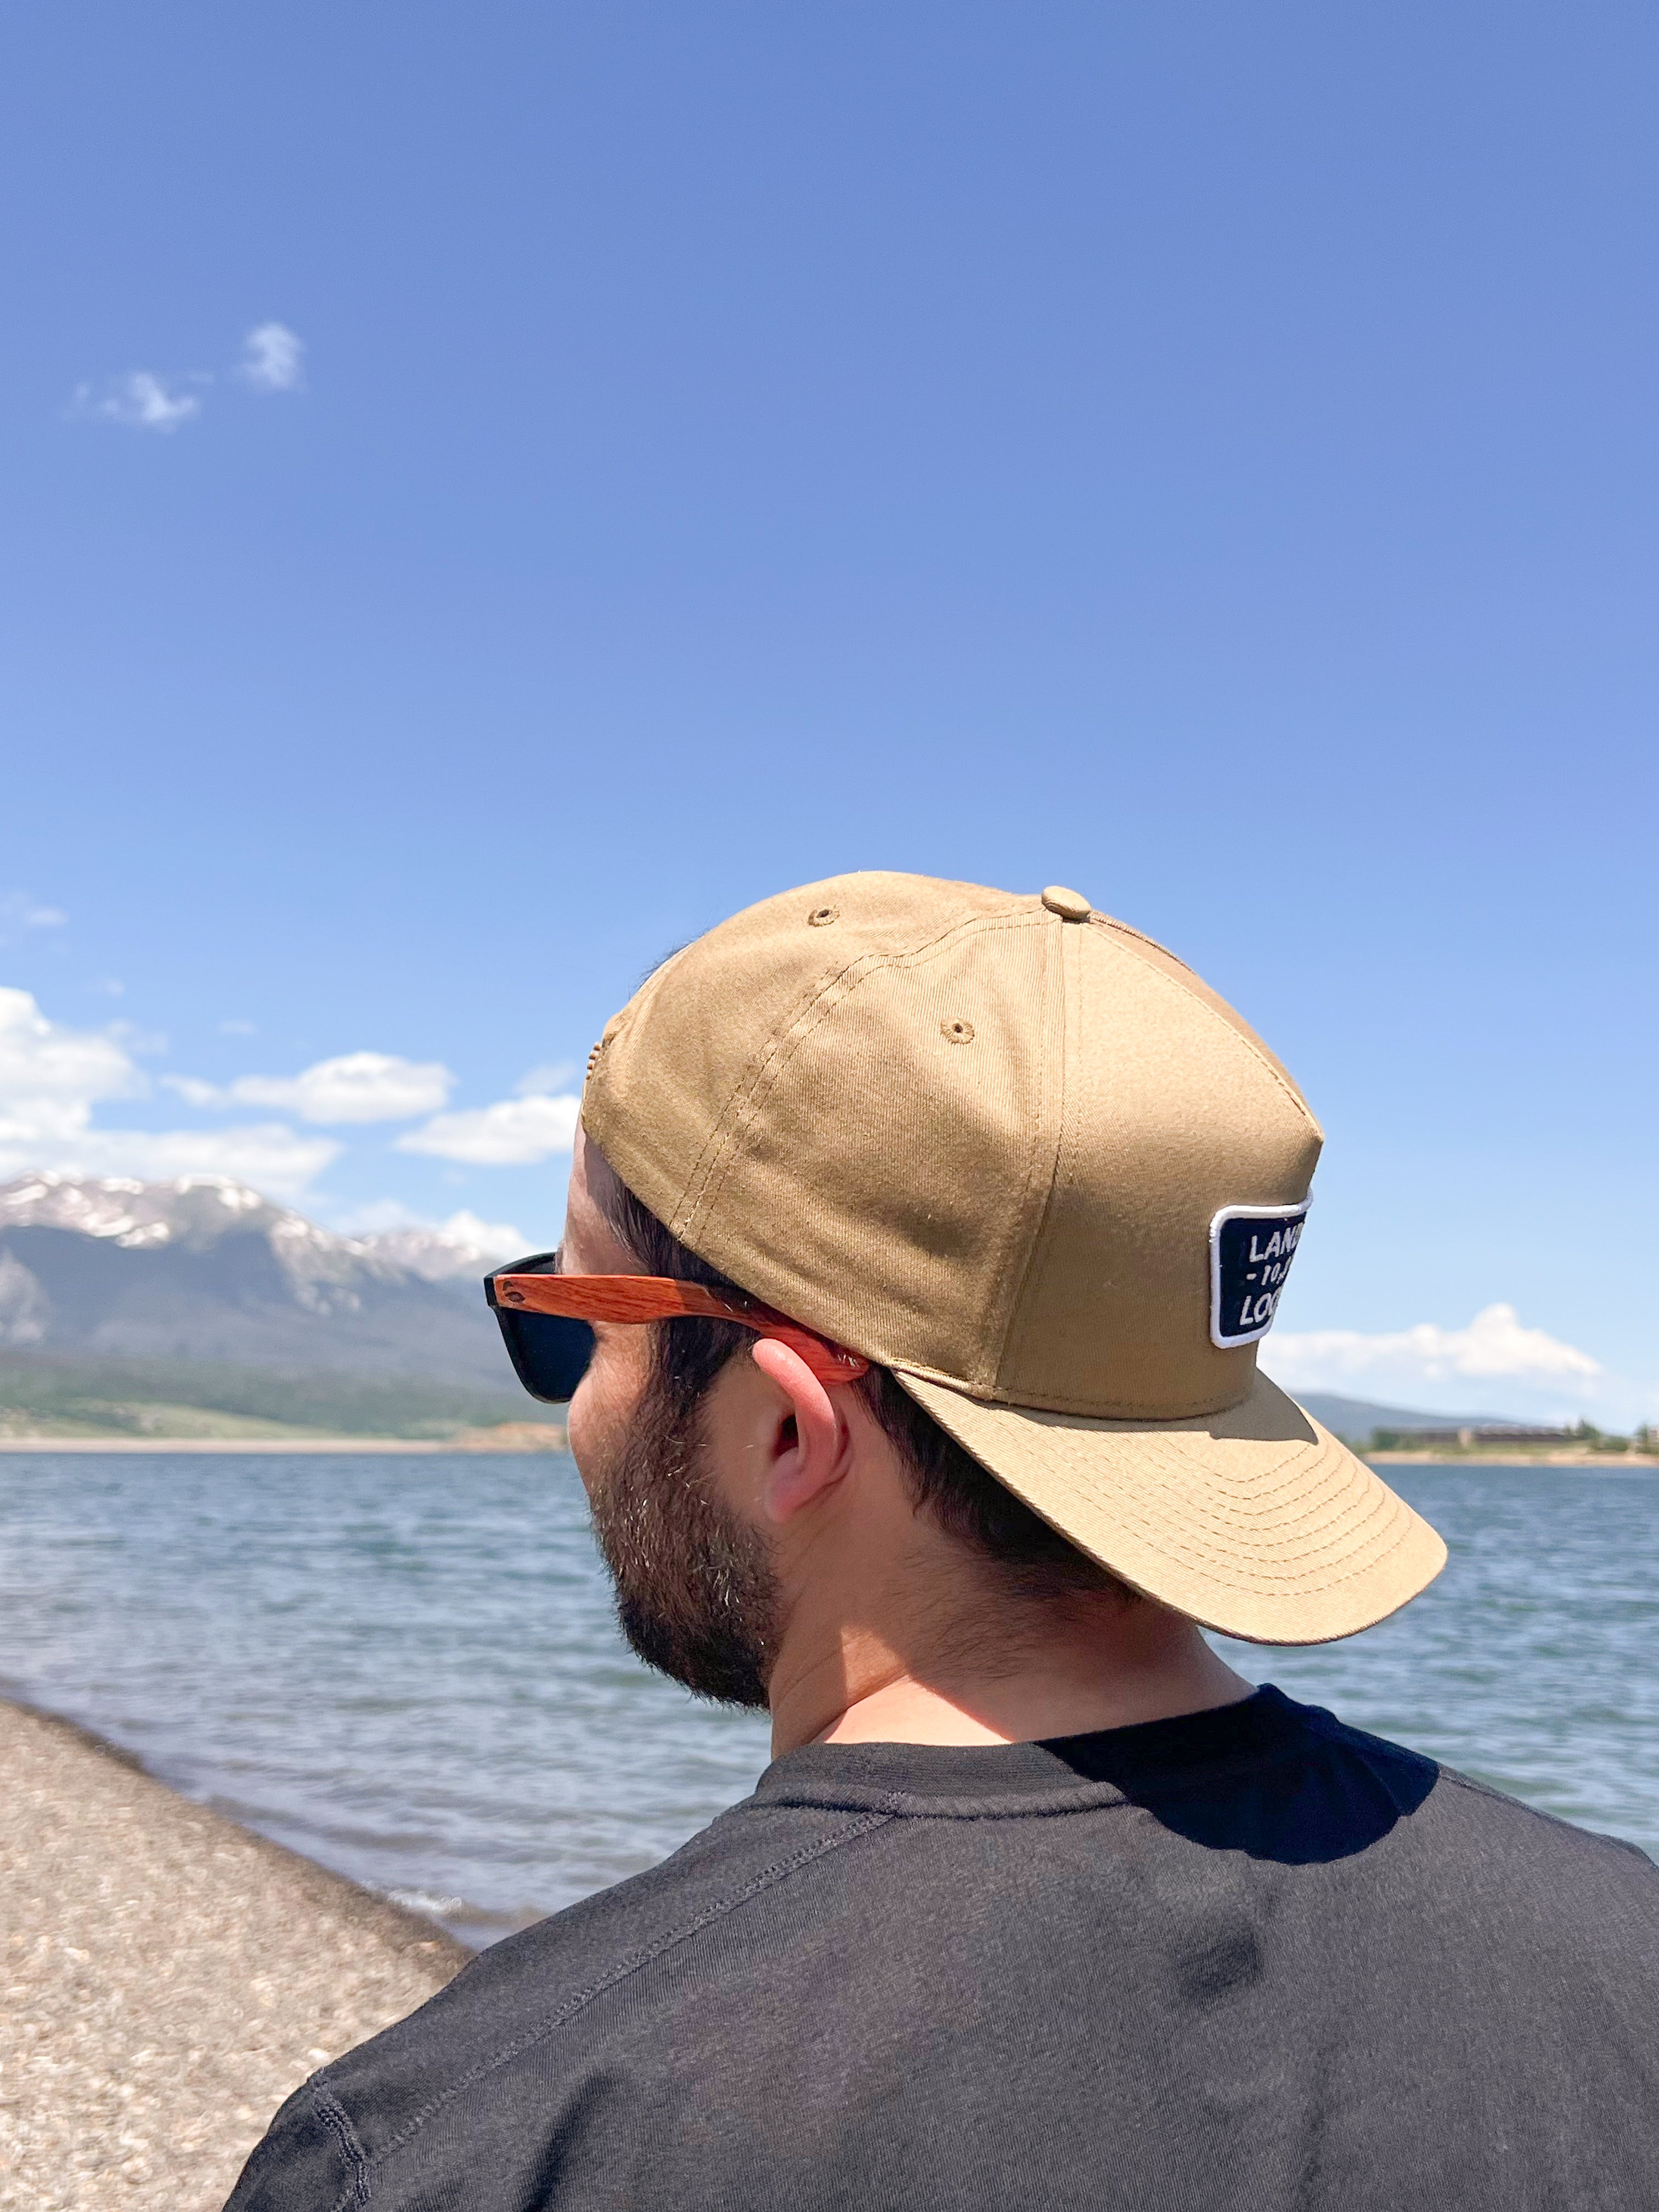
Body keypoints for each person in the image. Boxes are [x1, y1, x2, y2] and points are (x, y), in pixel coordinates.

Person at [228, 872, 1659, 2211]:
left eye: (578, 1324)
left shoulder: (480, 2145)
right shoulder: (1628, 1961)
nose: (575, 1406)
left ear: (788, 1428)